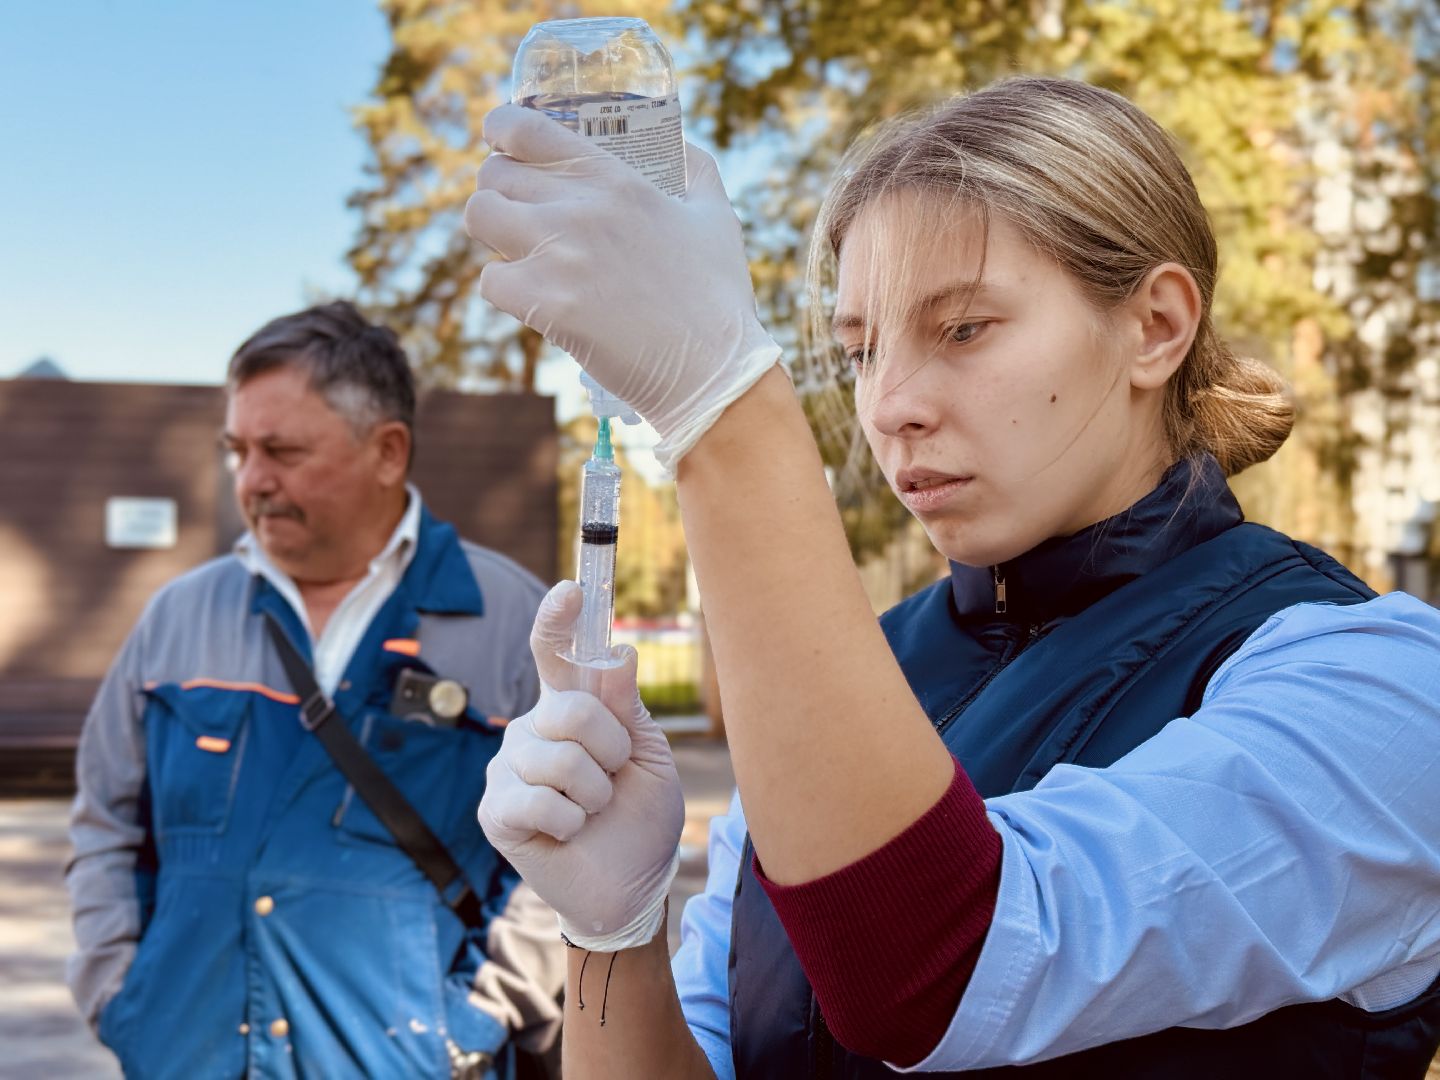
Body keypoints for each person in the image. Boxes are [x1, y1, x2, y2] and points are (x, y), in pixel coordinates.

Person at [464, 76, 1440, 1078]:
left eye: (963, 328)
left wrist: (716, 400)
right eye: (859, 351)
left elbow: (936, 966)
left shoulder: (1377, 686)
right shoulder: (842, 681)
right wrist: (615, 933)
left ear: (1155, 325)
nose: (889, 405)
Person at [66, 301, 565, 1079]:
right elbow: (105, 824)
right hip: (182, 1056)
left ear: (388, 451)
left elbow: (572, 859)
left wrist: (478, 1019)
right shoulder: (176, 620)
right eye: (237, 451)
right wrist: (119, 997)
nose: (252, 481)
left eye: (283, 451)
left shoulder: (514, 627)